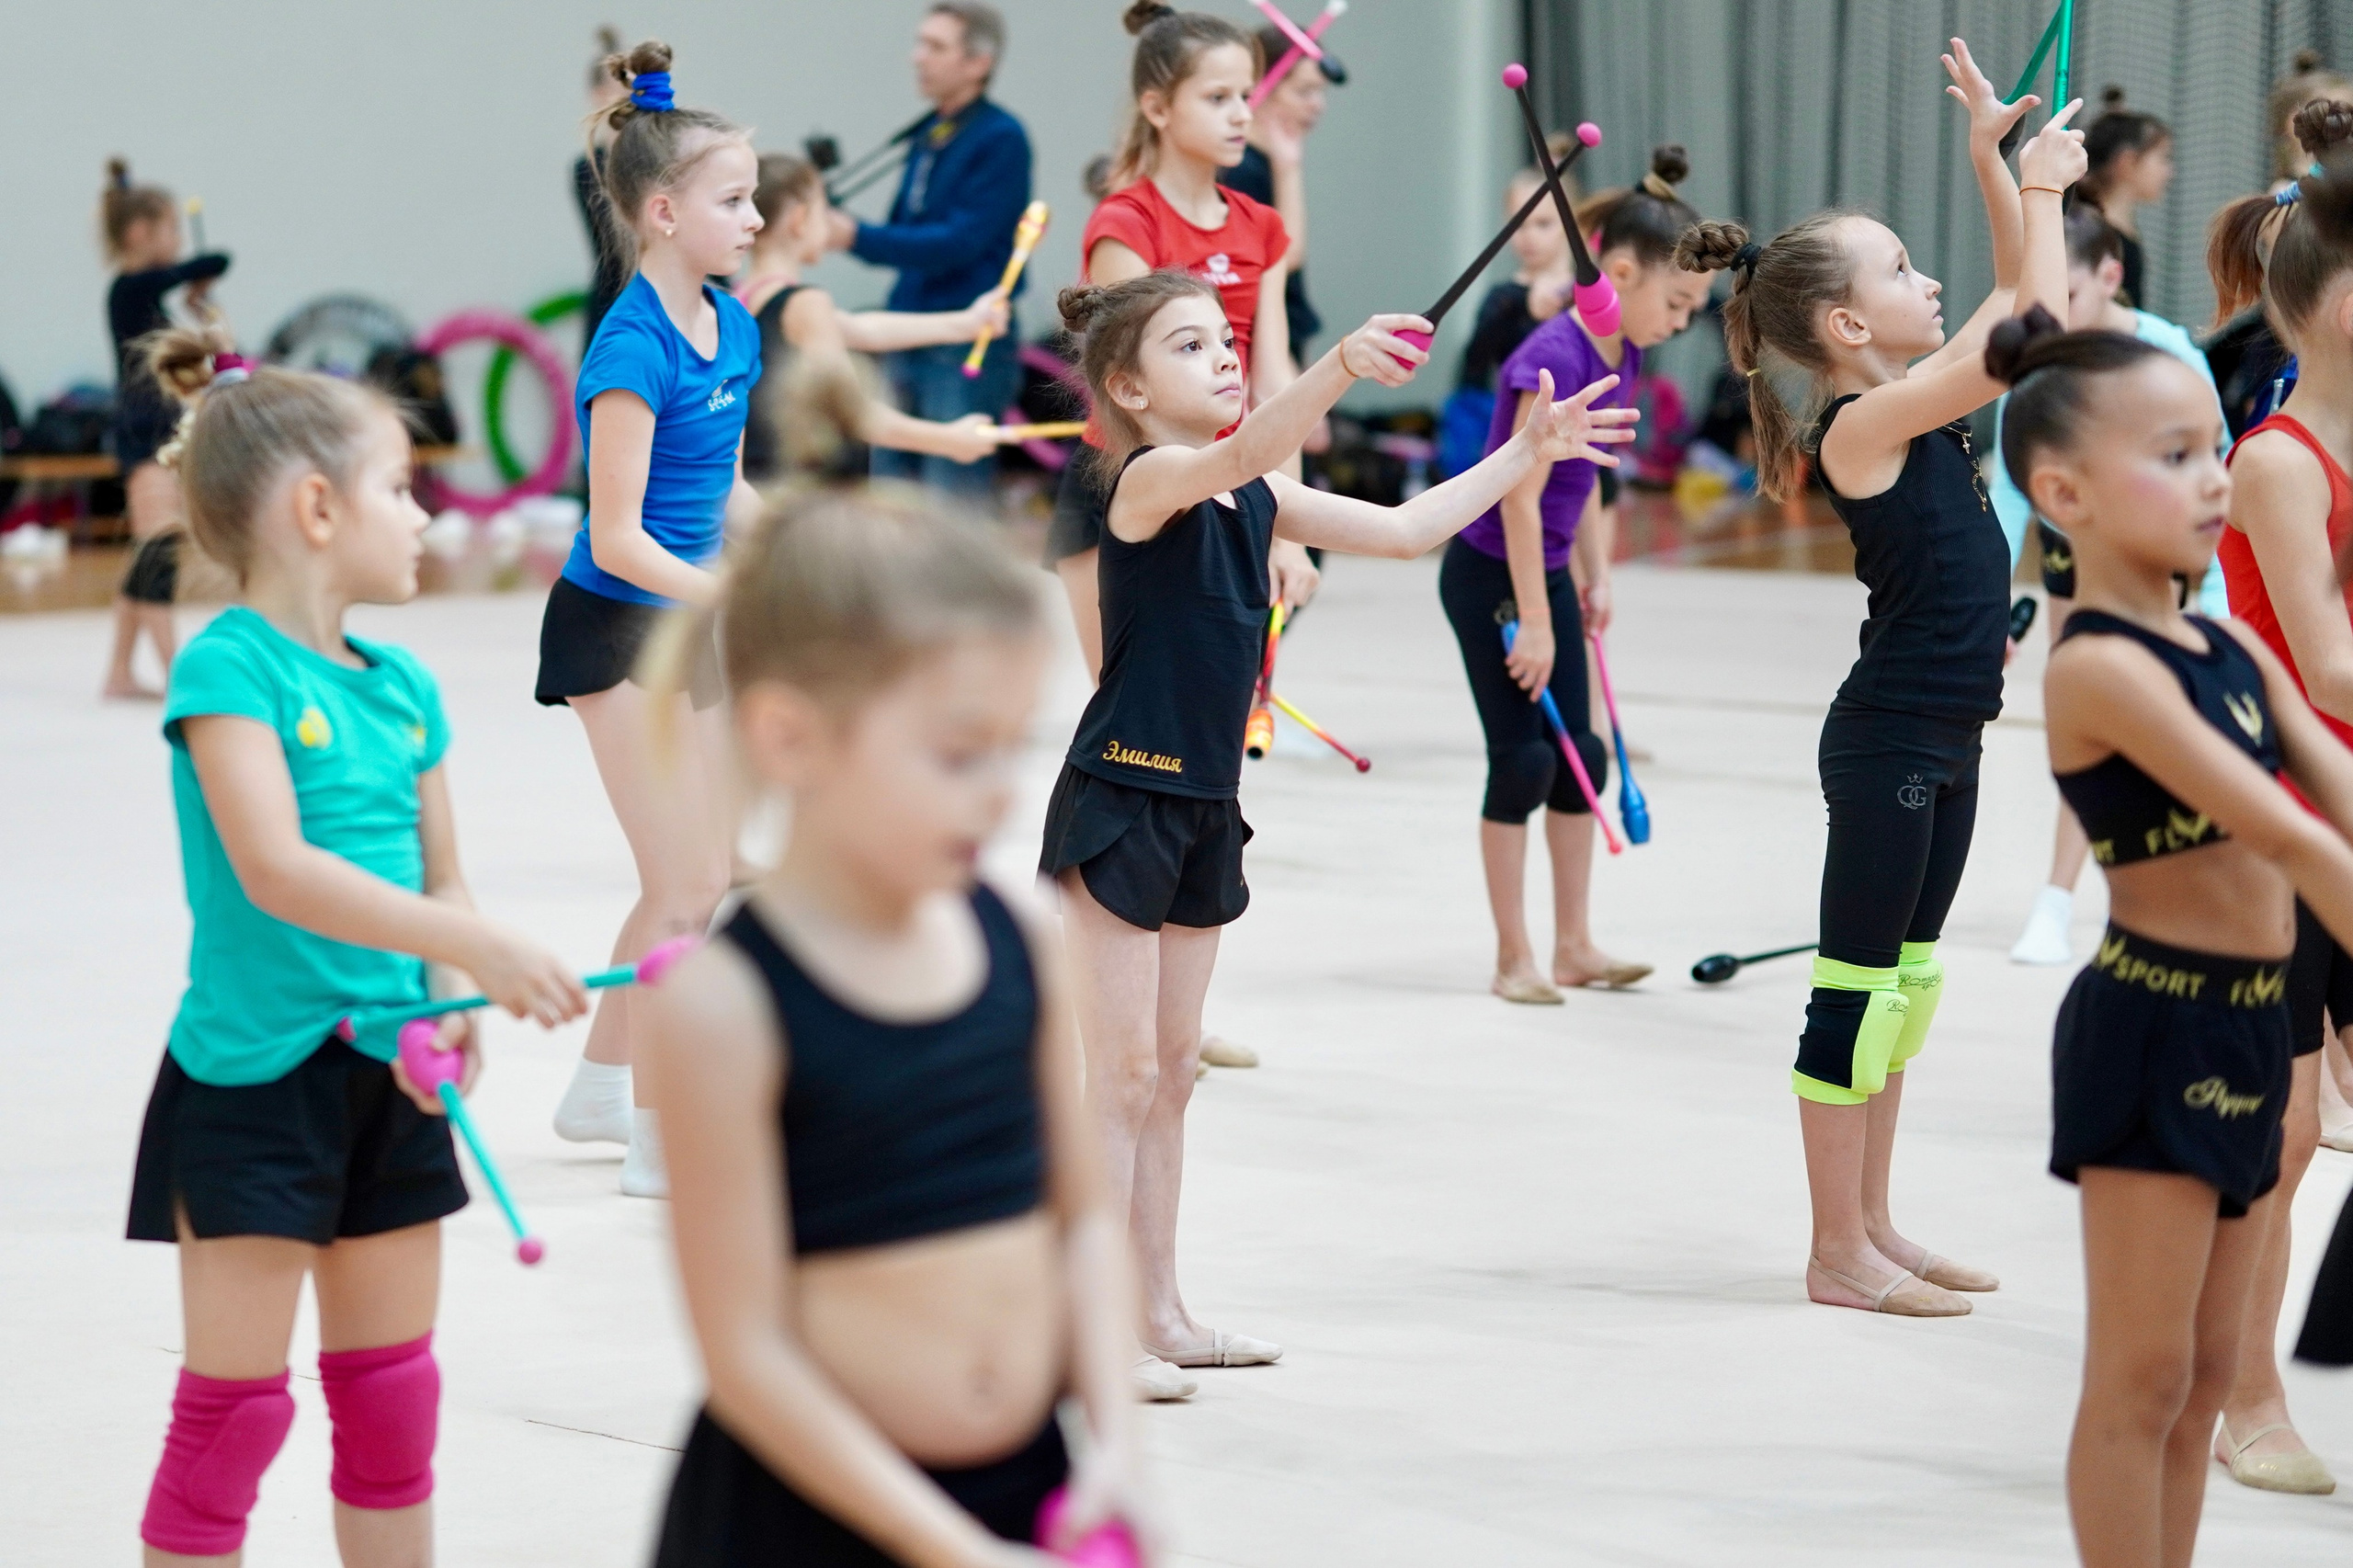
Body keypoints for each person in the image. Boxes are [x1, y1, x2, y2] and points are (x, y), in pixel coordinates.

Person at [1043, 271, 1636, 1399]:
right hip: (1119, 796)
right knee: (1116, 1074)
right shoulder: (1146, 480)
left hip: (1205, 805)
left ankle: (1159, 1310)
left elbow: (1410, 529)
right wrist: (1338, 369)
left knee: (1171, 1069)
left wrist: (1529, 451)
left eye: (1225, 340)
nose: (1222, 356)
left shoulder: (1258, 494)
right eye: (1189, 346)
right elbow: (1226, 456)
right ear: (1126, 386)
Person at [126, 324, 588, 1564]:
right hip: (254, 1087)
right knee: (234, 1417)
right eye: (401, 487)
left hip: (393, 1078)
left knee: (392, 1405)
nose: (427, 513)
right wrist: (476, 943)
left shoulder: (404, 688)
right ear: (319, 507)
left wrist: (449, 992)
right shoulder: (228, 668)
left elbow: (440, 870)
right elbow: (278, 869)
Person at [634, 482, 1155, 1567]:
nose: (1001, 794)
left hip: (1026, 1491)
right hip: (805, 1516)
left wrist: (1114, 1436)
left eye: (1014, 749)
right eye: (960, 753)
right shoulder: (722, 1006)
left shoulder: (1019, 939)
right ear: (789, 735)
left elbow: (1085, 1220)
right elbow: (744, 1349)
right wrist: (952, 1550)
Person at [1671, 40, 2086, 1315]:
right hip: (1891, 744)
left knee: (1906, 985)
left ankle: (1876, 1222)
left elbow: (2010, 302)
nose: (1931, 278)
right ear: (1846, 325)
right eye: (1901, 270)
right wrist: (2050, 188)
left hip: (1947, 738)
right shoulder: (1864, 424)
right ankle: (1830, 1250)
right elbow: (2035, 328)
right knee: (1854, 993)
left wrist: (1989, 159)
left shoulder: (1916, 400)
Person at [1985, 306, 2353, 1568]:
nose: (2214, 479)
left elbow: (2343, 800)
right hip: (2157, 1023)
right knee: (2138, 1381)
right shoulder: (2098, 668)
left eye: (2214, 449)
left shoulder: (2232, 640)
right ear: (2062, 491)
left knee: (2202, 1384)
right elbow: (2296, 842)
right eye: (2177, 456)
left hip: (2255, 1022)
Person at [536, 40, 764, 1199]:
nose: (757, 218)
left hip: (691, 619)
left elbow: (717, 483)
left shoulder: (737, 324)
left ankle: (595, 1087)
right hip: (615, 623)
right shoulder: (629, 348)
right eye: (734, 200)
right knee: (681, 879)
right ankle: (658, 1133)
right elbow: (619, 533)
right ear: (664, 211)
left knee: (705, 869)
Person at [1441, 143, 1721, 1003]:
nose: (1679, 323)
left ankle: (1574, 945)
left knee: (1581, 758)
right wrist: (1536, 614)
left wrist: (1598, 574)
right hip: (1492, 573)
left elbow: (1590, 474)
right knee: (1521, 762)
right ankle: (1511, 957)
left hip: (1551, 570)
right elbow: (1520, 501)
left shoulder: (1625, 350)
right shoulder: (1555, 352)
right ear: (1624, 273)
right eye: (1675, 303)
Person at [2186, 127, 2353, 1498]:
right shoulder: (2284, 460)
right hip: (2286, 823)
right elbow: (2329, 660)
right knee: (2283, 1138)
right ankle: (2244, 1395)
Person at [1043, 2, 1320, 683]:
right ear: (1158, 109)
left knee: (1203, 731)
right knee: (1128, 719)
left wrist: (1287, 525)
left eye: (1245, 97)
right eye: (1217, 97)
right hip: (1126, 485)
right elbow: (1138, 401)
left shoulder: (1261, 227)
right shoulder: (1126, 224)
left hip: (1227, 480)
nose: (1241, 115)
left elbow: (1274, 377)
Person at [2000, 207, 2233, 969]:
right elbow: (2008, 490)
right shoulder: (2043, 360)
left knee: (2172, 732)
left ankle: (2166, 894)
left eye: (2066, 288)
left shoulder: (2168, 354)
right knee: (2086, 719)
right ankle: (2057, 898)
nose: (2052, 309)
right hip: (2077, 556)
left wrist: (2221, 605)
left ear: (2109, 276)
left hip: (2162, 563)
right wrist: (1989, 609)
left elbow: (2215, 470)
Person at [824, 2, 1032, 501]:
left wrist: (851, 234)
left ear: (979, 63)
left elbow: (959, 243)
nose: (918, 57)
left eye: (936, 46)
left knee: (951, 496)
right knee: (892, 492)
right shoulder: (932, 132)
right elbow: (906, 232)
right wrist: (850, 233)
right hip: (907, 330)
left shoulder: (1001, 137)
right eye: (920, 44)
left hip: (965, 340)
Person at [736, 153, 1009, 484]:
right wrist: (950, 439)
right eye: (825, 209)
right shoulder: (806, 303)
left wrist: (967, 323)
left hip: (754, 477)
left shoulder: (743, 296)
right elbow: (852, 410)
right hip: (795, 481)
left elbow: (864, 330)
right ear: (799, 219)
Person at [100, 158, 229, 701]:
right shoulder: (128, 291)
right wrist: (200, 271)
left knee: (147, 553)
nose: (178, 240)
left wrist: (201, 308)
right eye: (171, 228)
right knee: (159, 551)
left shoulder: (152, 303)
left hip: (161, 434)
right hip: (143, 436)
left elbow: (199, 357)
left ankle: (120, 673)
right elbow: (212, 259)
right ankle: (178, 676)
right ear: (139, 233)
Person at [1438, 137, 1578, 482]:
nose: (1528, 235)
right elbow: (1473, 366)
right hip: (1511, 438)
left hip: (1571, 437)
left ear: (1571, 222)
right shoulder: (1503, 297)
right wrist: (1524, 308)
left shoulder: (1586, 294)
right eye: (1518, 223)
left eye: (1543, 224)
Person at [1216, 21, 1336, 369]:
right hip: (1257, 345)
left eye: (1321, 92)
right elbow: (1284, 258)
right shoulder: (1239, 172)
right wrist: (1289, 170)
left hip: (1282, 334)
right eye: (1305, 92)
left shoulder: (1268, 162)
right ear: (1262, 89)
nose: (1318, 106)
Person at [2076, 87, 2174, 306]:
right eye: (2163, 158)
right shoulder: (2091, 236)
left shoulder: (2121, 233)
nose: (2169, 172)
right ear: (2127, 161)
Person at [575, 26, 631, 350]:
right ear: (597, 94)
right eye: (618, 87)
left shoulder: (657, 161)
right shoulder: (586, 169)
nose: (627, 96)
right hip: (612, 300)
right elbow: (613, 240)